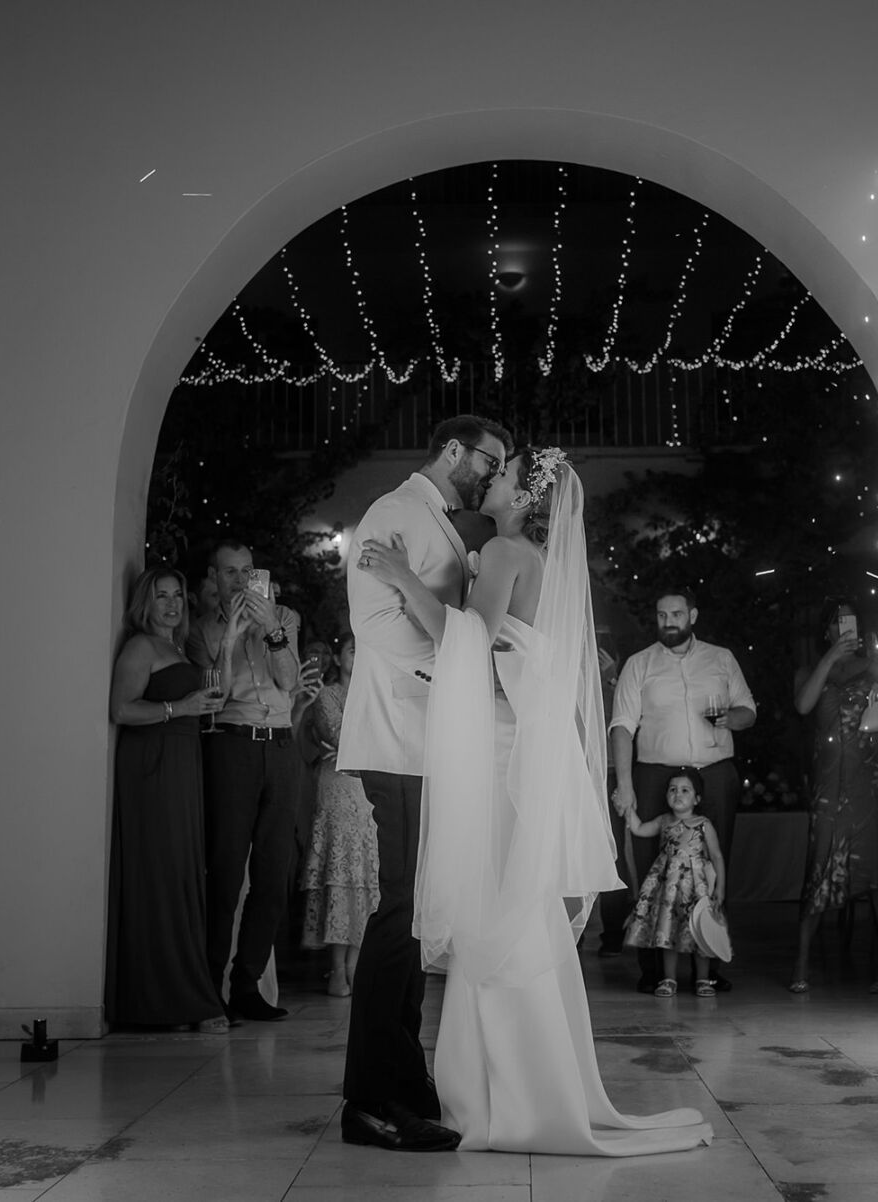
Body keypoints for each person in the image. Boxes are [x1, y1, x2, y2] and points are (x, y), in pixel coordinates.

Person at [359, 443, 711, 1156]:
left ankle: (501, 1094)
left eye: (505, 475)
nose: (492, 481)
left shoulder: (506, 554)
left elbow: (468, 638)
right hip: (519, 745)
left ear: (525, 498)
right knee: (520, 909)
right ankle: (532, 1080)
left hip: (499, 750)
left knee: (498, 909)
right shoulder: (540, 565)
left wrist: (399, 574)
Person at [337, 413, 512, 1153]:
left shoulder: (438, 520)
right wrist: (460, 669)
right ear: (453, 451)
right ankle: (369, 1102)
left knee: (414, 916)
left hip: (430, 741)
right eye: (489, 460)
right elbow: (375, 623)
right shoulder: (395, 513)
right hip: (399, 736)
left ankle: (405, 1085)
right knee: (400, 912)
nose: (493, 473)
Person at [609, 589, 756, 994]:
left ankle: (710, 964)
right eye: (661, 615)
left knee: (711, 867)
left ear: (692, 614)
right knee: (651, 872)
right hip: (654, 775)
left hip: (714, 774)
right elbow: (621, 725)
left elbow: (748, 710)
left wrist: (732, 719)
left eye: (676, 614)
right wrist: (625, 785)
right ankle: (655, 968)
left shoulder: (721, 658)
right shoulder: (639, 664)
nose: (668, 621)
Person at [106, 565, 232, 1032]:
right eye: (162, 596)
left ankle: (184, 994)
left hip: (182, 761)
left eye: (178, 595)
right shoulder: (140, 645)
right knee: (160, 873)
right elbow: (120, 708)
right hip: (153, 767)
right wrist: (180, 708)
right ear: (146, 602)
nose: (172, 604)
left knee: (181, 873)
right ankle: (166, 1001)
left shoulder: (175, 646)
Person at [188, 539, 307, 1022]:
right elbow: (213, 694)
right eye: (229, 573)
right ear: (214, 579)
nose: (239, 581)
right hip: (231, 745)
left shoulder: (286, 618)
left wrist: (272, 631)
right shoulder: (201, 630)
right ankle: (209, 987)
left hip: (279, 745)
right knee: (226, 871)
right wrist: (234, 635)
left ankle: (247, 985)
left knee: (275, 875)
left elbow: (289, 683)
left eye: (246, 571)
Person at [789, 599, 878, 993]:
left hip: (869, 780)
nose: (844, 627)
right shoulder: (809, 671)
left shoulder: (874, 668)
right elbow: (804, 705)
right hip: (827, 784)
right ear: (827, 631)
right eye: (836, 621)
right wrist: (830, 659)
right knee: (818, 864)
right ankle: (801, 962)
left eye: (849, 620)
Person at [298, 634, 379, 997]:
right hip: (336, 788)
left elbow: (385, 738)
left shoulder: (378, 693)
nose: (358, 654)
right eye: (352, 648)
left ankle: (356, 965)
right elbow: (335, 731)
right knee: (338, 870)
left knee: (366, 875)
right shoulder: (329, 693)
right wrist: (365, 744)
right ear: (339, 656)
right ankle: (336, 969)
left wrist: (360, 746)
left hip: (370, 790)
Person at [620, 769, 726, 998]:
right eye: (672, 789)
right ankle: (668, 979)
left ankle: (702, 979)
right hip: (668, 888)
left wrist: (720, 889)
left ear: (697, 799)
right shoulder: (664, 821)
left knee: (700, 933)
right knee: (667, 931)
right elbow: (639, 829)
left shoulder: (703, 824)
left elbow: (716, 856)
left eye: (685, 790)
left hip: (697, 889)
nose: (678, 794)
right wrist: (627, 805)